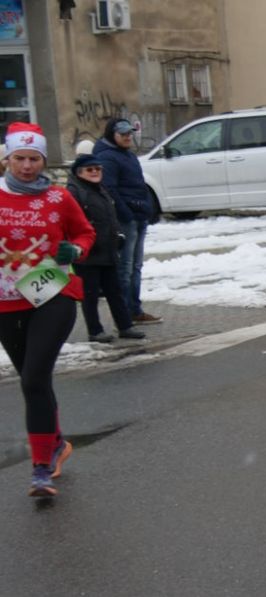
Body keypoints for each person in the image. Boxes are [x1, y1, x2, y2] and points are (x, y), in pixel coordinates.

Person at [0, 123, 96, 497]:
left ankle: (40, 469)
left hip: (52, 291)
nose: (27, 166)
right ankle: (54, 443)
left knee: (34, 378)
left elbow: (84, 233)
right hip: (7, 300)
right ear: (8, 158)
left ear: (43, 160)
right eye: (20, 158)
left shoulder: (58, 198)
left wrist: (76, 250)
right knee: (33, 380)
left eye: (34, 159)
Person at [66, 155, 145, 343]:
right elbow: (72, 223)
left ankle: (125, 326)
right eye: (89, 169)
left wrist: (118, 235)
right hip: (88, 254)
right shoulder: (74, 192)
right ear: (79, 173)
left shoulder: (101, 189)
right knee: (90, 295)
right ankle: (95, 331)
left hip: (108, 251)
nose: (95, 172)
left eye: (97, 168)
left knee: (115, 292)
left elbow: (111, 217)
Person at [95, 118, 161, 325]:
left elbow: (138, 185)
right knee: (125, 267)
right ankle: (124, 314)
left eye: (129, 134)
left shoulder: (127, 155)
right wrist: (127, 214)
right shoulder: (107, 157)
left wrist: (148, 208)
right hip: (127, 219)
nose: (127, 137)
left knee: (136, 266)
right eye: (123, 134)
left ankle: (134, 309)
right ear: (111, 135)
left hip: (138, 216)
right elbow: (110, 189)